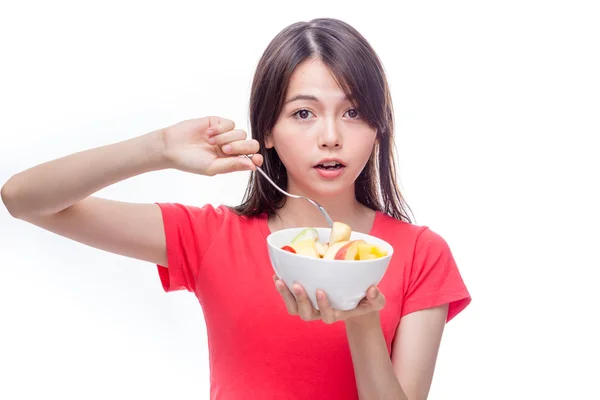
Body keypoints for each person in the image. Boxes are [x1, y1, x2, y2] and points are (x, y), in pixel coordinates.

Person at [1, 18, 471, 400]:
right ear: (266, 130)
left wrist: (362, 318)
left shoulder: (420, 254)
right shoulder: (211, 236)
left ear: (378, 128)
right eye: (303, 113)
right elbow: (23, 199)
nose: (331, 135)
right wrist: (159, 147)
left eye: (352, 112)